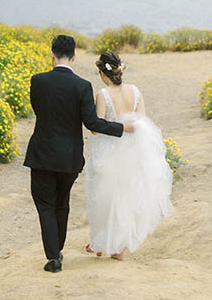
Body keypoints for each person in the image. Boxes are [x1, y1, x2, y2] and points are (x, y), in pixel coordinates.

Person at [24, 35, 135, 273]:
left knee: (45, 205)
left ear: (52, 55)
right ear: (74, 57)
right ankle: (58, 250)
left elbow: (37, 110)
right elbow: (92, 122)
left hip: (42, 154)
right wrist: (120, 128)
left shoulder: (37, 81)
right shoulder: (83, 86)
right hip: (70, 157)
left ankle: (54, 257)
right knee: (62, 204)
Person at [84, 51, 174, 261]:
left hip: (107, 153)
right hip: (130, 153)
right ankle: (118, 249)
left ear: (102, 73)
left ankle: (101, 245)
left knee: (104, 197)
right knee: (123, 198)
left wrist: (114, 126)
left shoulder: (103, 94)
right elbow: (141, 123)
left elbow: (97, 128)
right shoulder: (135, 91)